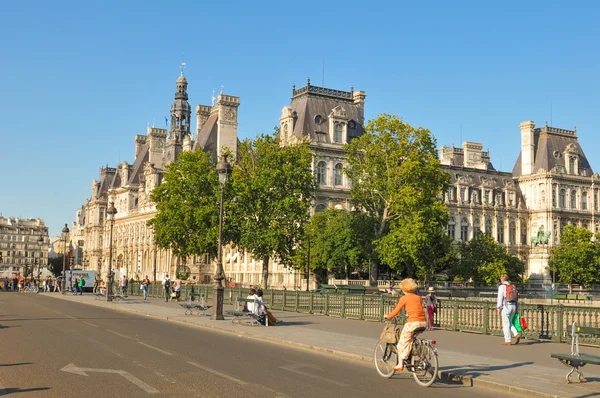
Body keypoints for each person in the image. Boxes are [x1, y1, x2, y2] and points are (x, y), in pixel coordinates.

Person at [384, 278, 427, 371]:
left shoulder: (404, 298)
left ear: (403, 289)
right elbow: (419, 309)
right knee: (410, 339)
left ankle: (400, 364)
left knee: (401, 343)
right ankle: (414, 357)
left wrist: (388, 316)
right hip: (423, 322)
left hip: (412, 323)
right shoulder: (418, 297)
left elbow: (396, 311)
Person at [497, 274, 518, 346]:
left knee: (506, 324)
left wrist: (498, 308)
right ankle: (516, 334)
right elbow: (516, 299)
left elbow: (500, 298)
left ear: (502, 280)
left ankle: (508, 340)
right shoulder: (513, 286)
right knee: (510, 322)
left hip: (506, 306)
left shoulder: (502, 287)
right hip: (513, 306)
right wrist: (516, 308)